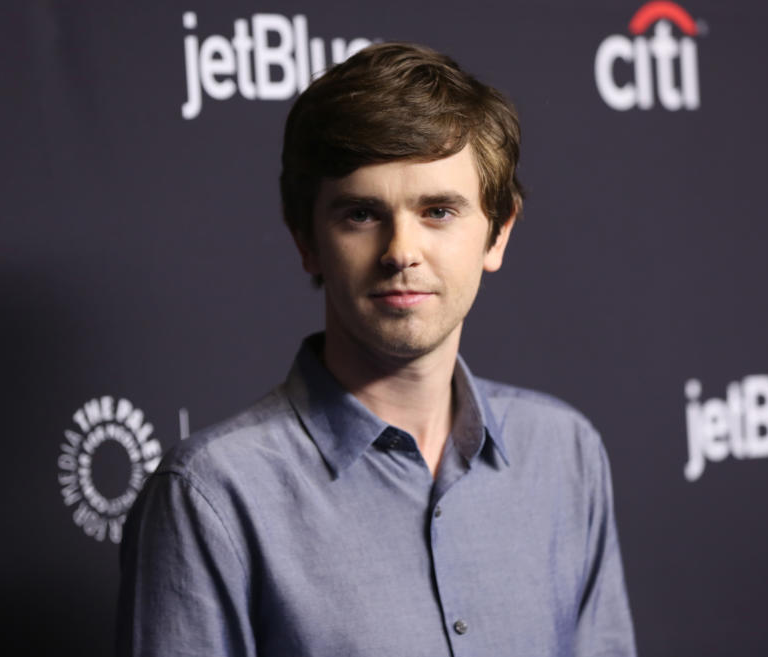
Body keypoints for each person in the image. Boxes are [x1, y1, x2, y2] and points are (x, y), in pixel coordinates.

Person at [118, 42, 636, 657]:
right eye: (362, 215)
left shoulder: (564, 453)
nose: (401, 252)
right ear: (306, 240)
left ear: (498, 234)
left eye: (439, 211)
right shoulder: (211, 497)